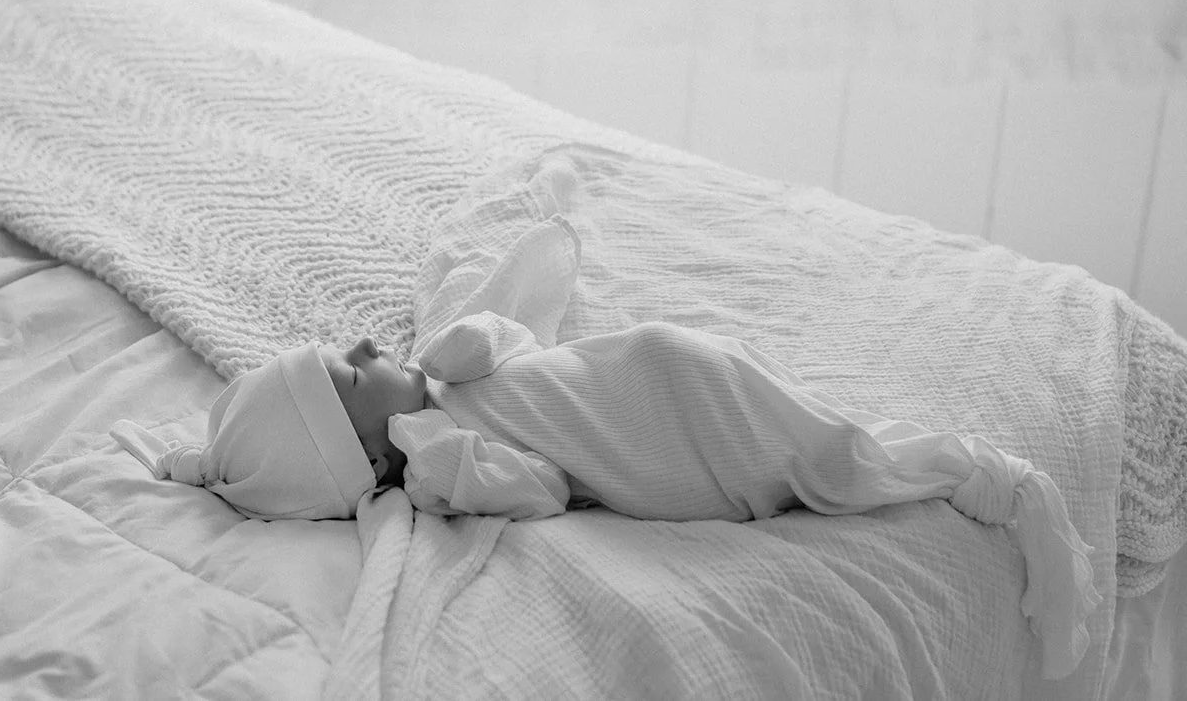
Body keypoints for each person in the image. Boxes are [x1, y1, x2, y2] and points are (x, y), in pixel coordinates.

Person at [113, 213, 1098, 678]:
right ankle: (1005, 494)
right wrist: (452, 472)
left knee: (829, 446)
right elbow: (539, 486)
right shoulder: (430, 449)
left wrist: (464, 350)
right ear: (360, 452)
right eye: (345, 370)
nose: (365, 343)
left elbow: (519, 338)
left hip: (671, 371)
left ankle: (998, 490)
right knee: (837, 462)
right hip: (682, 440)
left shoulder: (445, 372)